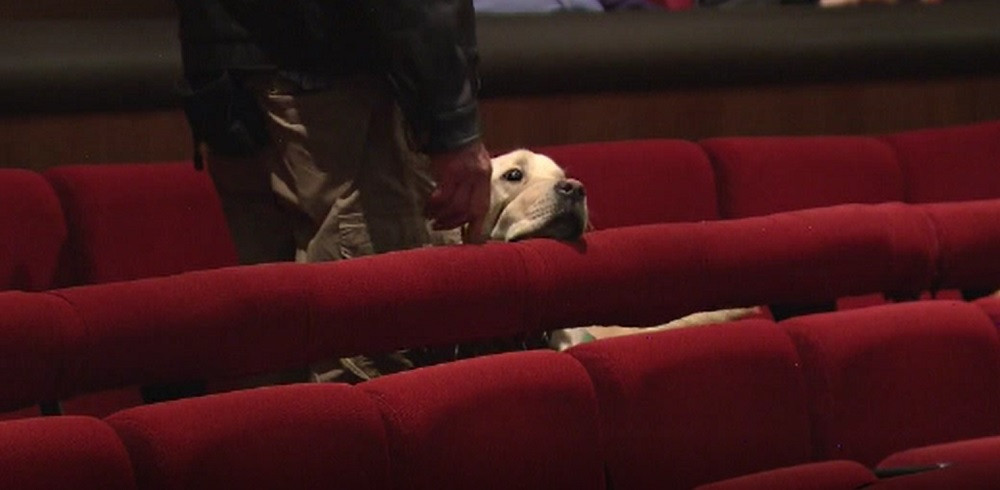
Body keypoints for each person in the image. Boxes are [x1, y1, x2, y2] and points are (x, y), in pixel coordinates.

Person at [173, 0, 492, 381]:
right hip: (339, 87)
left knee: (279, 357)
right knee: (376, 368)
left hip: (229, 81)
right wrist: (453, 127)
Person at [174, 0, 491, 266]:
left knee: (284, 313)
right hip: (339, 95)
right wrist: (453, 126)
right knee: (383, 311)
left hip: (227, 86)